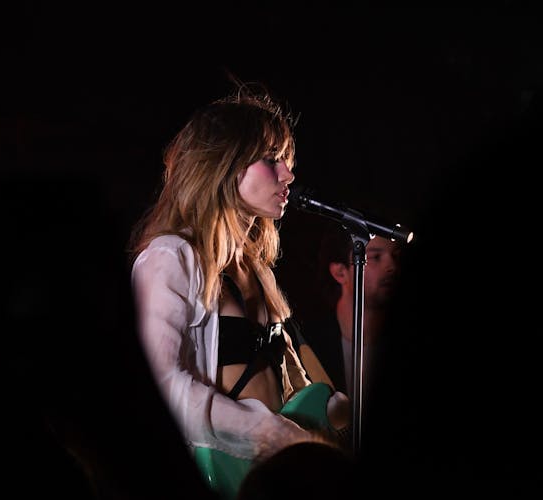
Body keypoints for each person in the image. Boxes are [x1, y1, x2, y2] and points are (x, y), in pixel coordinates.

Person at [128, 81, 351, 497]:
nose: (288, 174)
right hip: (215, 471)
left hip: (276, 475)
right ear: (223, 166)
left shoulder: (257, 268)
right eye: (271, 159)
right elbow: (161, 383)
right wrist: (269, 432)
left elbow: (300, 386)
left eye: (287, 161)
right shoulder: (171, 257)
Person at [302, 224, 403, 406]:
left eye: (397, 256)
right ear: (340, 272)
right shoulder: (307, 342)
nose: (392, 267)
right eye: (375, 257)